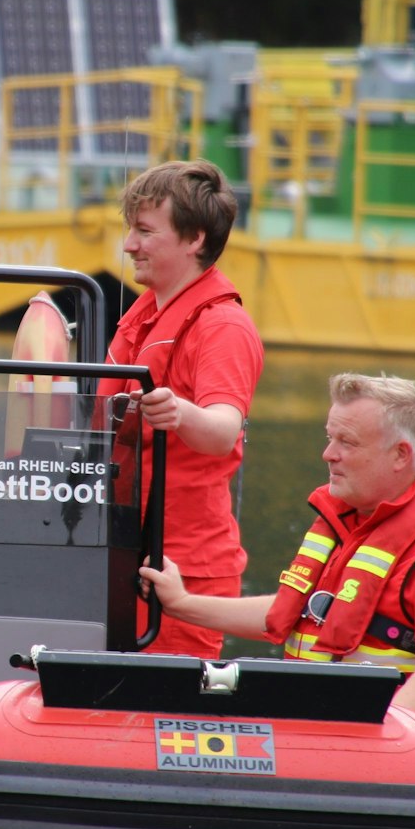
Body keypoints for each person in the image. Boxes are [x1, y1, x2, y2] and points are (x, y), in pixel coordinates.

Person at [139, 373, 415, 757]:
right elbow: (290, 613)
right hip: (335, 739)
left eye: (346, 442)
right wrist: (181, 603)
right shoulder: (349, 522)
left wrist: (369, 749)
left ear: (400, 455)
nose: (329, 453)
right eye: (330, 438)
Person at [101, 159, 265, 660]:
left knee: (160, 717)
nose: (129, 244)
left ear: (194, 239)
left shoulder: (222, 327)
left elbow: (221, 431)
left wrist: (179, 412)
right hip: (124, 546)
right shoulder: (146, 311)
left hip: (180, 568)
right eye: (131, 229)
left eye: (145, 231)